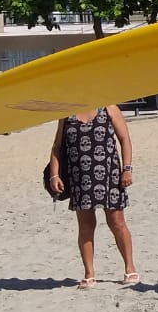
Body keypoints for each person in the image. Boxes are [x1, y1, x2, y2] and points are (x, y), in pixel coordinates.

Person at [47, 106, 136, 288]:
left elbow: (124, 139)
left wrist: (127, 169)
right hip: (80, 176)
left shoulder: (108, 107)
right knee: (86, 225)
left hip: (110, 173)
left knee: (116, 221)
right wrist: (54, 175)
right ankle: (89, 273)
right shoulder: (66, 113)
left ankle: (130, 266)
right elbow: (57, 146)